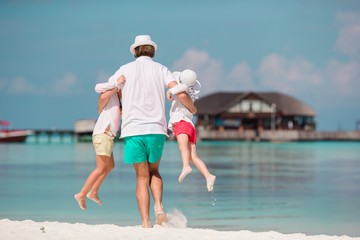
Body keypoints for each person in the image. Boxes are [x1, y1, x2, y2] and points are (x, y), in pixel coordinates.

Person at [102, 35, 196, 228]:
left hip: (133, 130)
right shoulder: (161, 69)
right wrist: (192, 110)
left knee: (142, 177)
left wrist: (112, 103)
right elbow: (179, 91)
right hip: (156, 130)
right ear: (152, 51)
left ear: (135, 51)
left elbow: (107, 89)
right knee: (154, 171)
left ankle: (146, 223)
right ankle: (159, 206)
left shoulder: (124, 70)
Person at [74, 75, 126, 210]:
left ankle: (93, 192)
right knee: (100, 168)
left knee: (109, 166)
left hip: (107, 135)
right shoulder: (111, 92)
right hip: (103, 134)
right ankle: (82, 194)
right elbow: (102, 96)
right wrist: (116, 84)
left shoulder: (115, 100)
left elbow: (107, 109)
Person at [167, 70, 216, 192]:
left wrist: (169, 90)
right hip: (190, 125)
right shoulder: (191, 93)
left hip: (181, 123)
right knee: (192, 156)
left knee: (183, 148)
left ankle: (185, 166)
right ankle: (208, 176)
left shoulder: (182, 90)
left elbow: (180, 88)